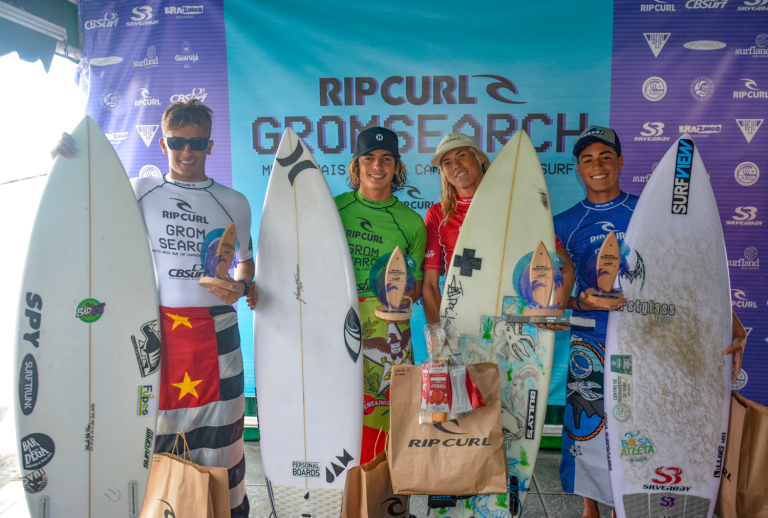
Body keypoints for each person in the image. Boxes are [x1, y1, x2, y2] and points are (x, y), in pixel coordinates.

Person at [52, 100, 256, 518]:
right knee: (157, 437)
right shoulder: (139, 189)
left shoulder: (234, 201)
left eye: (196, 142)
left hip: (218, 334)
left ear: (210, 145)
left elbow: (244, 264)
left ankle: (226, 512)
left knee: (224, 440)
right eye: (177, 142)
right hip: (156, 331)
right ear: (162, 144)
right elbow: (85, 204)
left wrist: (242, 284)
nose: (187, 152)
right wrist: (65, 160)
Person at [555, 125, 746, 518]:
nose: (597, 166)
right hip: (591, 344)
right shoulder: (564, 223)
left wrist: (732, 324)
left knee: (641, 436)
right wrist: (582, 301)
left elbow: (689, 280)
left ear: (621, 162)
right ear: (577, 168)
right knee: (588, 435)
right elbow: (557, 300)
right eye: (588, 159)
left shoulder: (650, 214)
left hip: (649, 344)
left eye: (606, 157)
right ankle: (592, 511)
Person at [335, 126, 426, 464]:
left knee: (387, 417)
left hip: (388, 329)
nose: (377, 166)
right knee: (339, 407)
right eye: (369, 158)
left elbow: (415, 285)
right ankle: (343, 495)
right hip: (339, 321)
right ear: (356, 165)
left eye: (386, 159)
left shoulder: (411, 222)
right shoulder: (334, 209)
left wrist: (405, 297)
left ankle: (380, 496)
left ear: (397, 167)